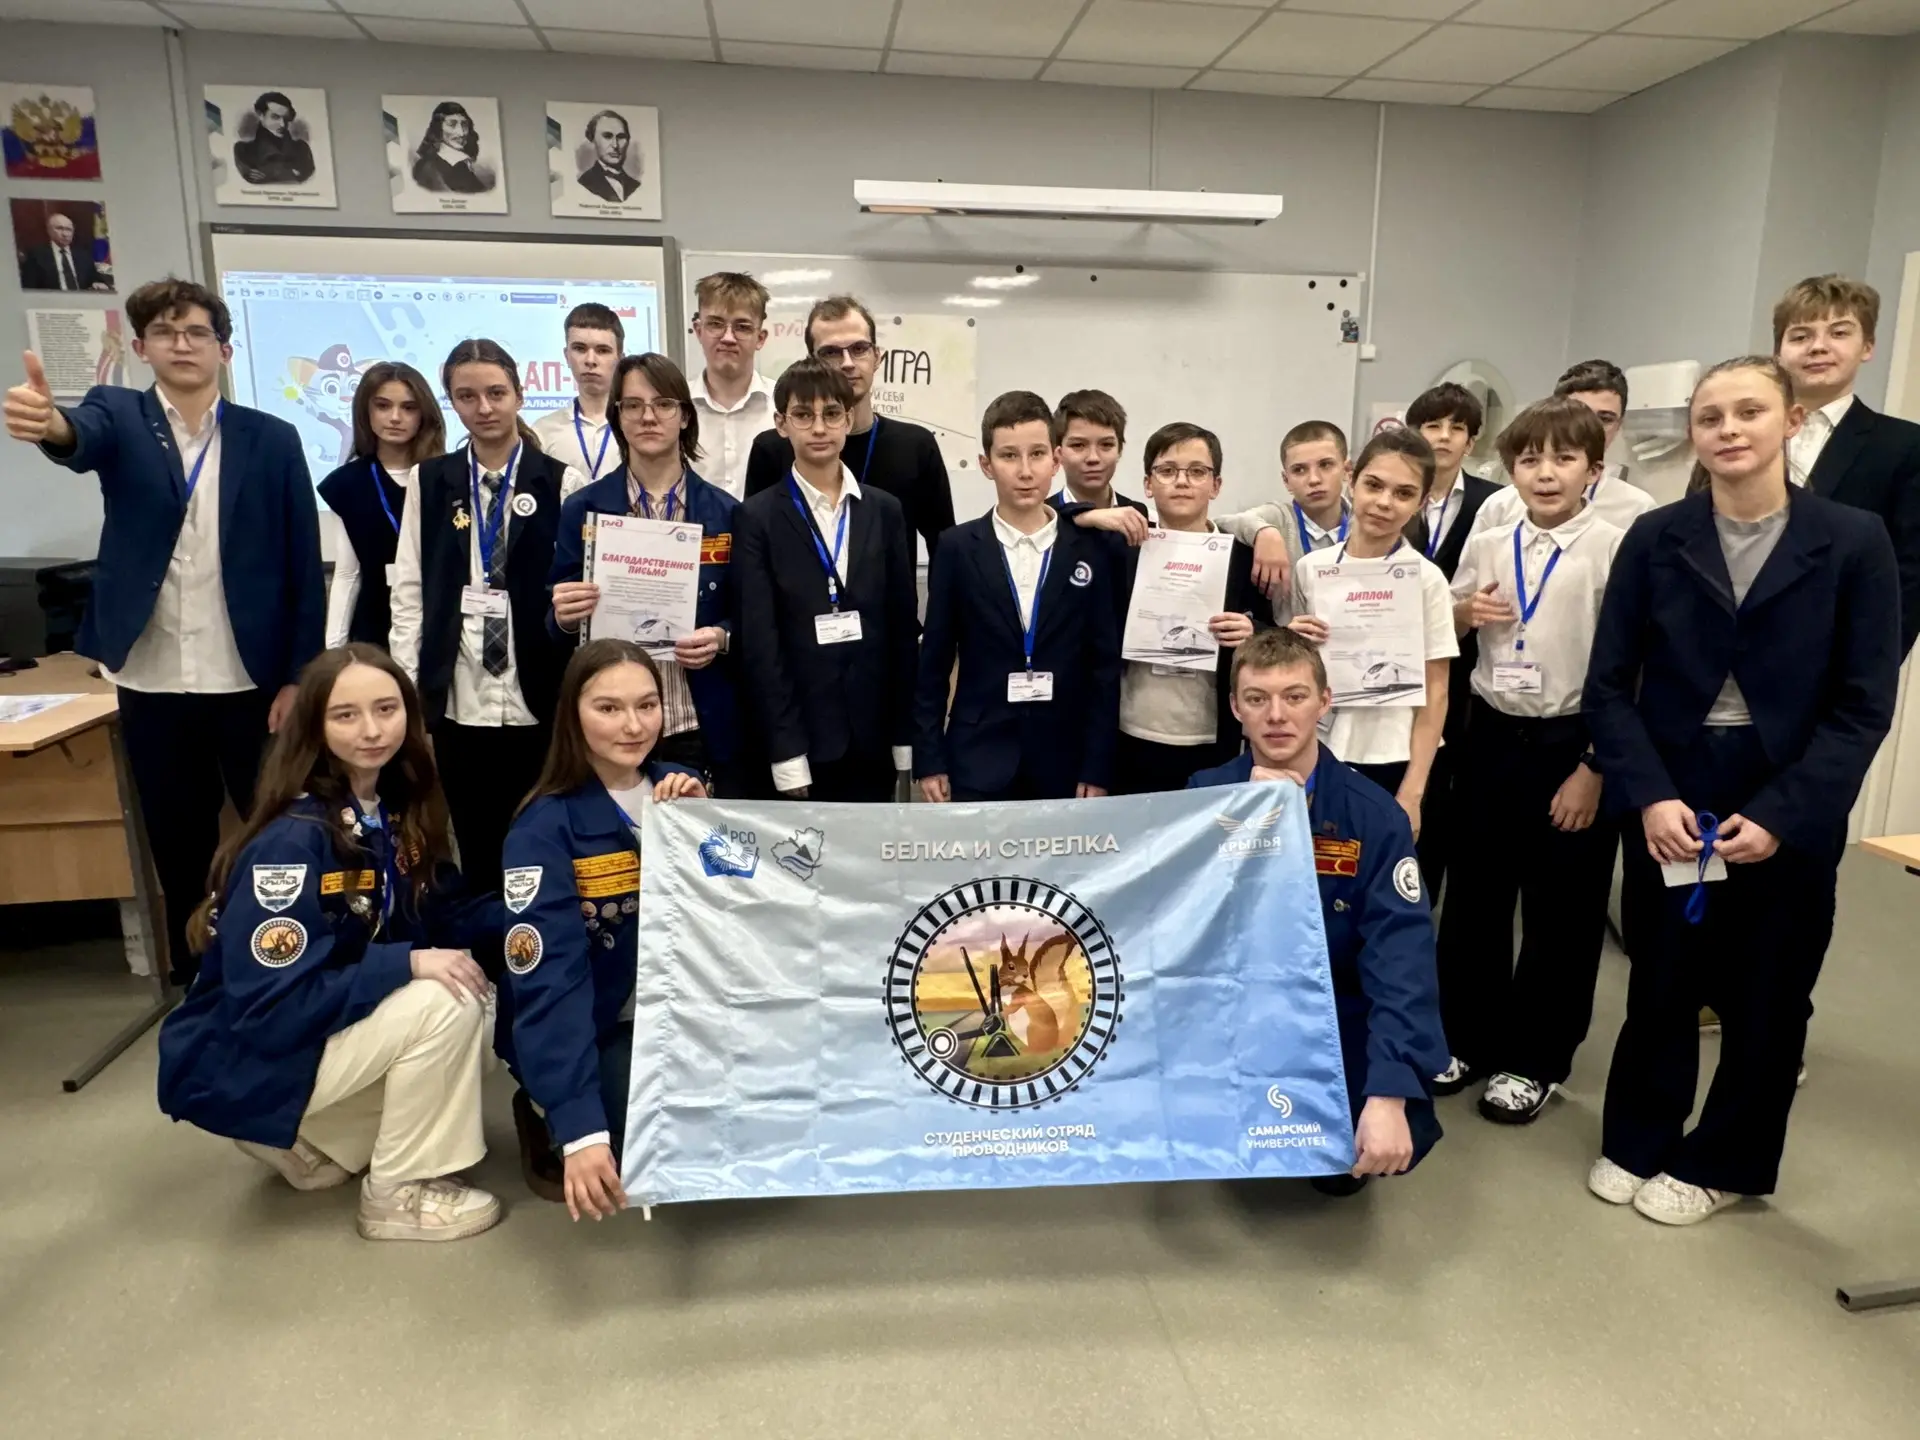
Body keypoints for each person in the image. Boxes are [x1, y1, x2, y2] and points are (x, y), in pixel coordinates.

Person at [1583, 356, 1899, 1226]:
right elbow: (1609, 686)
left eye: (1749, 411)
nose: (1728, 429)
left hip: (1788, 786)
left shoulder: (1853, 541)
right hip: (1675, 783)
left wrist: (1783, 814)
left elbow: (1863, 705)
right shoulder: (1657, 538)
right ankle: (1638, 1136)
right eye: (1710, 416)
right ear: (1693, 433)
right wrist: (1649, 794)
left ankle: (1726, 1159)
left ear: (1790, 420)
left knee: (1768, 991)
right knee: (1662, 977)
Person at [3, 278, 324, 986]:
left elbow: (303, 562)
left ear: (225, 350)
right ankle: (195, 974)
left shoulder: (271, 438)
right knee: (178, 841)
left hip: (248, 677)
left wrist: (300, 677)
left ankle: (285, 963)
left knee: (275, 830)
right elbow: (76, 436)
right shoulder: (119, 415)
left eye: (197, 332)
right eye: (165, 332)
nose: (182, 344)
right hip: (152, 677)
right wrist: (50, 424)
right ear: (142, 347)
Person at [155, 645, 504, 1242]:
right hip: (242, 1052)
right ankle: (398, 1194)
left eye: (386, 709)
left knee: (478, 995)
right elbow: (272, 1005)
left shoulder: (388, 808)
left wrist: (540, 911)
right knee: (449, 999)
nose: (372, 730)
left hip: (301, 1030)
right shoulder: (292, 842)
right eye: (346, 715)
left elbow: (445, 911)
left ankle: (313, 1139)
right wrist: (406, 962)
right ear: (314, 726)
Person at [1187, 627, 1447, 1196]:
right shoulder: (1204, 797)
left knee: (1340, 1170)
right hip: (1237, 1007)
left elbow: (1401, 961)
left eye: (1295, 696)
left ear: (1325, 702)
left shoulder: (1374, 818)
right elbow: (1181, 930)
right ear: (1235, 708)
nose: (1277, 715)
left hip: (1333, 1012)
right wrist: (1252, 819)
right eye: (1257, 698)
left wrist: (1388, 1091)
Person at [1434, 398, 1627, 1116]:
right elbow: (1448, 620)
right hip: (1490, 732)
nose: (1546, 474)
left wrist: (1594, 766)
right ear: (1511, 468)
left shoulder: (1613, 547)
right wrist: (1463, 614)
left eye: (1564, 459)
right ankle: (1465, 1035)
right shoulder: (1490, 540)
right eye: (1529, 459)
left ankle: (1534, 1057)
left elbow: (1629, 665)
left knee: (1563, 907)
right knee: (1475, 895)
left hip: (1571, 740)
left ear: (1592, 470)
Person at [499, 641, 705, 1218]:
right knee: (647, 1140)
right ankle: (547, 1106)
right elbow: (549, 982)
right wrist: (580, 1129)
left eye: (647, 705)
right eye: (609, 708)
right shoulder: (543, 828)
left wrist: (710, 827)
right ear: (573, 714)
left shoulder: (684, 789)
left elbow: (739, 920)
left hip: (682, 1010)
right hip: (601, 1025)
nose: (633, 726)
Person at [390, 339, 584, 898]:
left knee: (542, 842)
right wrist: (409, 692)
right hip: (460, 693)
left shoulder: (561, 481)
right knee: (476, 846)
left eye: (497, 393)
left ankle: (536, 941)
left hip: (537, 692)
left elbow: (573, 595)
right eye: (467, 396)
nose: (484, 408)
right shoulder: (430, 481)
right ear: (451, 402)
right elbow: (409, 591)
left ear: (519, 394)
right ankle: (484, 945)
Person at [548, 352, 743, 792]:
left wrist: (722, 636)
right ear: (618, 417)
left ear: (685, 416)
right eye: (633, 405)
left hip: (694, 721)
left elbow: (750, 615)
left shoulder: (727, 513)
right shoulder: (584, 508)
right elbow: (555, 624)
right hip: (612, 726)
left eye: (663, 404)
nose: (648, 417)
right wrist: (564, 616)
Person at [913, 391, 1121, 803]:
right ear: (986, 465)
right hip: (977, 753)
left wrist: (1097, 765)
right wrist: (930, 757)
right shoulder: (957, 547)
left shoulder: (1090, 547)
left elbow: (1104, 666)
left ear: (1056, 460)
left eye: (1037, 454)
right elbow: (935, 660)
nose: (1025, 471)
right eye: (1009, 456)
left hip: (1065, 758)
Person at [734, 357, 918, 802]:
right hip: (803, 741)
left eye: (832, 414)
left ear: (848, 420)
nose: (819, 428)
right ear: (781, 424)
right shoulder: (756, 517)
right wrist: (786, 752)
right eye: (803, 415)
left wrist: (903, 737)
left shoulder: (885, 510)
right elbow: (761, 644)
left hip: (873, 738)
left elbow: (900, 628)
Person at [1287, 427, 1458, 842]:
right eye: (1374, 485)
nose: (1384, 502)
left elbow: (1437, 692)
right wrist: (1293, 642)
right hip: (1321, 749)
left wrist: (1412, 794)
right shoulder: (1312, 569)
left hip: (1395, 757)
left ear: (1422, 502)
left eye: (1403, 493)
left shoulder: (1427, 580)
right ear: (1352, 480)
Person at [1109, 422, 1273, 793]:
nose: (1182, 481)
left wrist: (1254, 633)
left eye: (1197, 471)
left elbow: (1276, 634)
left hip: (1212, 738)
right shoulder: (1124, 553)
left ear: (1216, 485)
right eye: (1167, 471)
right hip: (1131, 733)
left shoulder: (1246, 561)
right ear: (1148, 484)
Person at [1773, 274, 1920, 657]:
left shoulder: (1905, 446)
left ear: (1867, 346)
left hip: (1833, 662)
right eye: (1800, 336)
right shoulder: (1741, 436)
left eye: (1839, 333)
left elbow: (1910, 575)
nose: (1818, 346)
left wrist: (1872, 671)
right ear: (1779, 351)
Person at [743, 295, 955, 558]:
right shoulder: (772, 448)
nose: (847, 363)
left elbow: (944, 550)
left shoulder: (916, 446)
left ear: (877, 356)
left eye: (859, 348)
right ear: (811, 361)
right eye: (831, 352)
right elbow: (754, 546)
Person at [319, 361, 445, 649]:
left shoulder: (445, 478)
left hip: (439, 624)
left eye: (409, 408)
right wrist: (334, 651)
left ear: (424, 414)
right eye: (383, 406)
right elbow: (348, 574)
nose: (395, 417)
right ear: (366, 411)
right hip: (375, 627)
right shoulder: (348, 483)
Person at [1469, 360, 1655, 540]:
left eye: (1605, 419)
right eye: (1577, 415)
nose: (1591, 429)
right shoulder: (1500, 507)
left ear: (1619, 425)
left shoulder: (1638, 510)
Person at [1217, 419, 1355, 605]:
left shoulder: (1364, 523)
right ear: (1286, 480)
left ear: (1347, 471)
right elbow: (1222, 522)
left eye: (1325, 465)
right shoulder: (1279, 518)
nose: (1314, 479)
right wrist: (1264, 532)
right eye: (1299, 470)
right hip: (1288, 625)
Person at [687, 271, 777, 500]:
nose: (728, 337)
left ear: (760, 338)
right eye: (715, 324)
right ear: (699, 331)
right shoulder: (674, 407)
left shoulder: (784, 406)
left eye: (742, 327)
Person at [531, 303, 624, 485]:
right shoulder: (543, 431)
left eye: (602, 350)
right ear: (566, 356)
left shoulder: (637, 425)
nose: (590, 360)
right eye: (580, 349)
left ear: (620, 358)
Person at [1053, 390, 1146, 515]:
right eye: (1078, 445)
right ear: (1058, 453)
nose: (1093, 458)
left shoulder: (1142, 517)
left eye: (1106, 445)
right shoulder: (1042, 518)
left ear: (1119, 450)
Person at [233, 91, 316, 186]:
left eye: (286, 118)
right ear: (261, 115)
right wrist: (290, 173)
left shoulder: (302, 149)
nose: (282, 124)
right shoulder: (243, 151)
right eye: (275, 117)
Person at [411, 101, 490, 194]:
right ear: (438, 128)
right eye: (452, 124)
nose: (461, 133)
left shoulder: (461, 164)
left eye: (464, 125)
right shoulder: (427, 167)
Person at [17, 210, 106, 292]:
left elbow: (95, 278)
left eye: (69, 229)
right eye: (59, 228)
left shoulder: (83, 255)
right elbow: (28, 287)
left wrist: (98, 283)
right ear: (49, 230)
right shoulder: (36, 255)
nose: (65, 234)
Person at [575, 109, 639, 203]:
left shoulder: (636, 186)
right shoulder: (584, 183)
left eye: (621, 137)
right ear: (592, 140)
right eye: (607, 136)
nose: (615, 145)